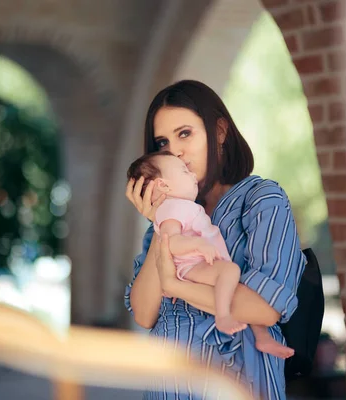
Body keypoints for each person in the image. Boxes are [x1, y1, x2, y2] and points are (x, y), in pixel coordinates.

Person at [124, 80, 306, 400]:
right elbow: (144, 313)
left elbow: (264, 309)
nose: (175, 151)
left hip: (236, 382)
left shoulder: (262, 200)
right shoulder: (166, 220)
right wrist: (161, 223)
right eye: (162, 143)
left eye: (185, 133)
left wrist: (177, 285)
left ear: (219, 132)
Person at [126, 151, 295, 359]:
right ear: (163, 185)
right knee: (230, 272)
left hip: (199, 262)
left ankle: (262, 337)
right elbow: (171, 243)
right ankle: (223, 316)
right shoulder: (171, 209)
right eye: (183, 171)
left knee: (232, 287)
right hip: (191, 265)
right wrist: (197, 244)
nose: (191, 175)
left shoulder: (183, 207)